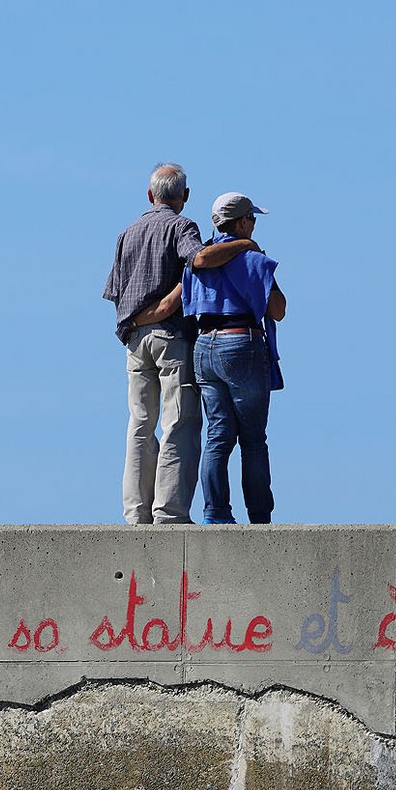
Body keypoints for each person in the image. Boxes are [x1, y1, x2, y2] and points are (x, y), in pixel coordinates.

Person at [103, 165, 257, 524]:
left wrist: (138, 319)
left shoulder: (127, 233)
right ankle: (169, 512)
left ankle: (136, 512)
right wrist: (244, 245)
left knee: (140, 423)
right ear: (184, 197)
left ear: (149, 194)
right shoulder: (181, 226)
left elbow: (114, 292)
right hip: (171, 337)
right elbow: (199, 259)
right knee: (180, 422)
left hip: (134, 341)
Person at [182, 192, 287, 525]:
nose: (254, 226)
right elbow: (278, 310)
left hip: (203, 346)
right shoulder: (253, 257)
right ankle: (259, 517)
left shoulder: (197, 259)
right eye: (252, 219)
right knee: (253, 438)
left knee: (218, 434)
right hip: (241, 343)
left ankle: (215, 514)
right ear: (241, 222)